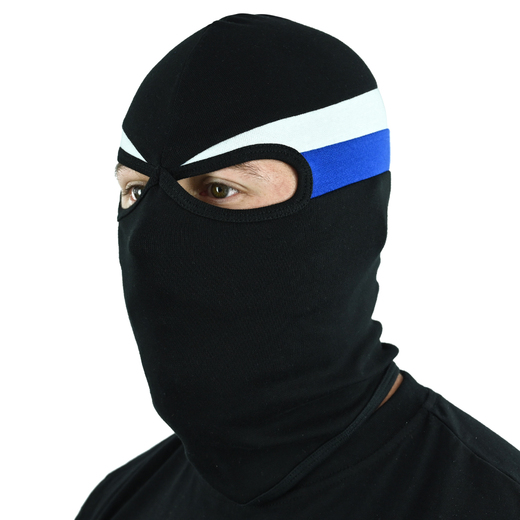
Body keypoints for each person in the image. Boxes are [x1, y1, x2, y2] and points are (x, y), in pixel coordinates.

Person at [76, 14, 520, 519]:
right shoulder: (122, 502)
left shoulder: (492, 502)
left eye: (219, 188)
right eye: (136, 191)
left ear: (344, 216)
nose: (148, 245)